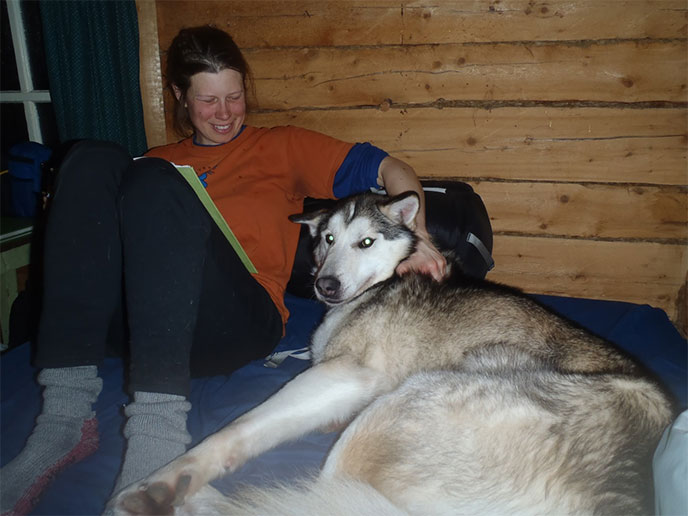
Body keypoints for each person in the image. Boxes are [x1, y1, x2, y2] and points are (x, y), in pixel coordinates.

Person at [0, 25, 446, 515]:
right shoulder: (156, 159)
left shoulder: (279, 147)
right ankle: (62, 421)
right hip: (139, 322)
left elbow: (392, 170)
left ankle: (157, 435)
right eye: (209, 101)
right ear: (179, 97)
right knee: (87, 160)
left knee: (153, 181)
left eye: (234, 98)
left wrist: (419, 238)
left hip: (235, 322)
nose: (225, 114)